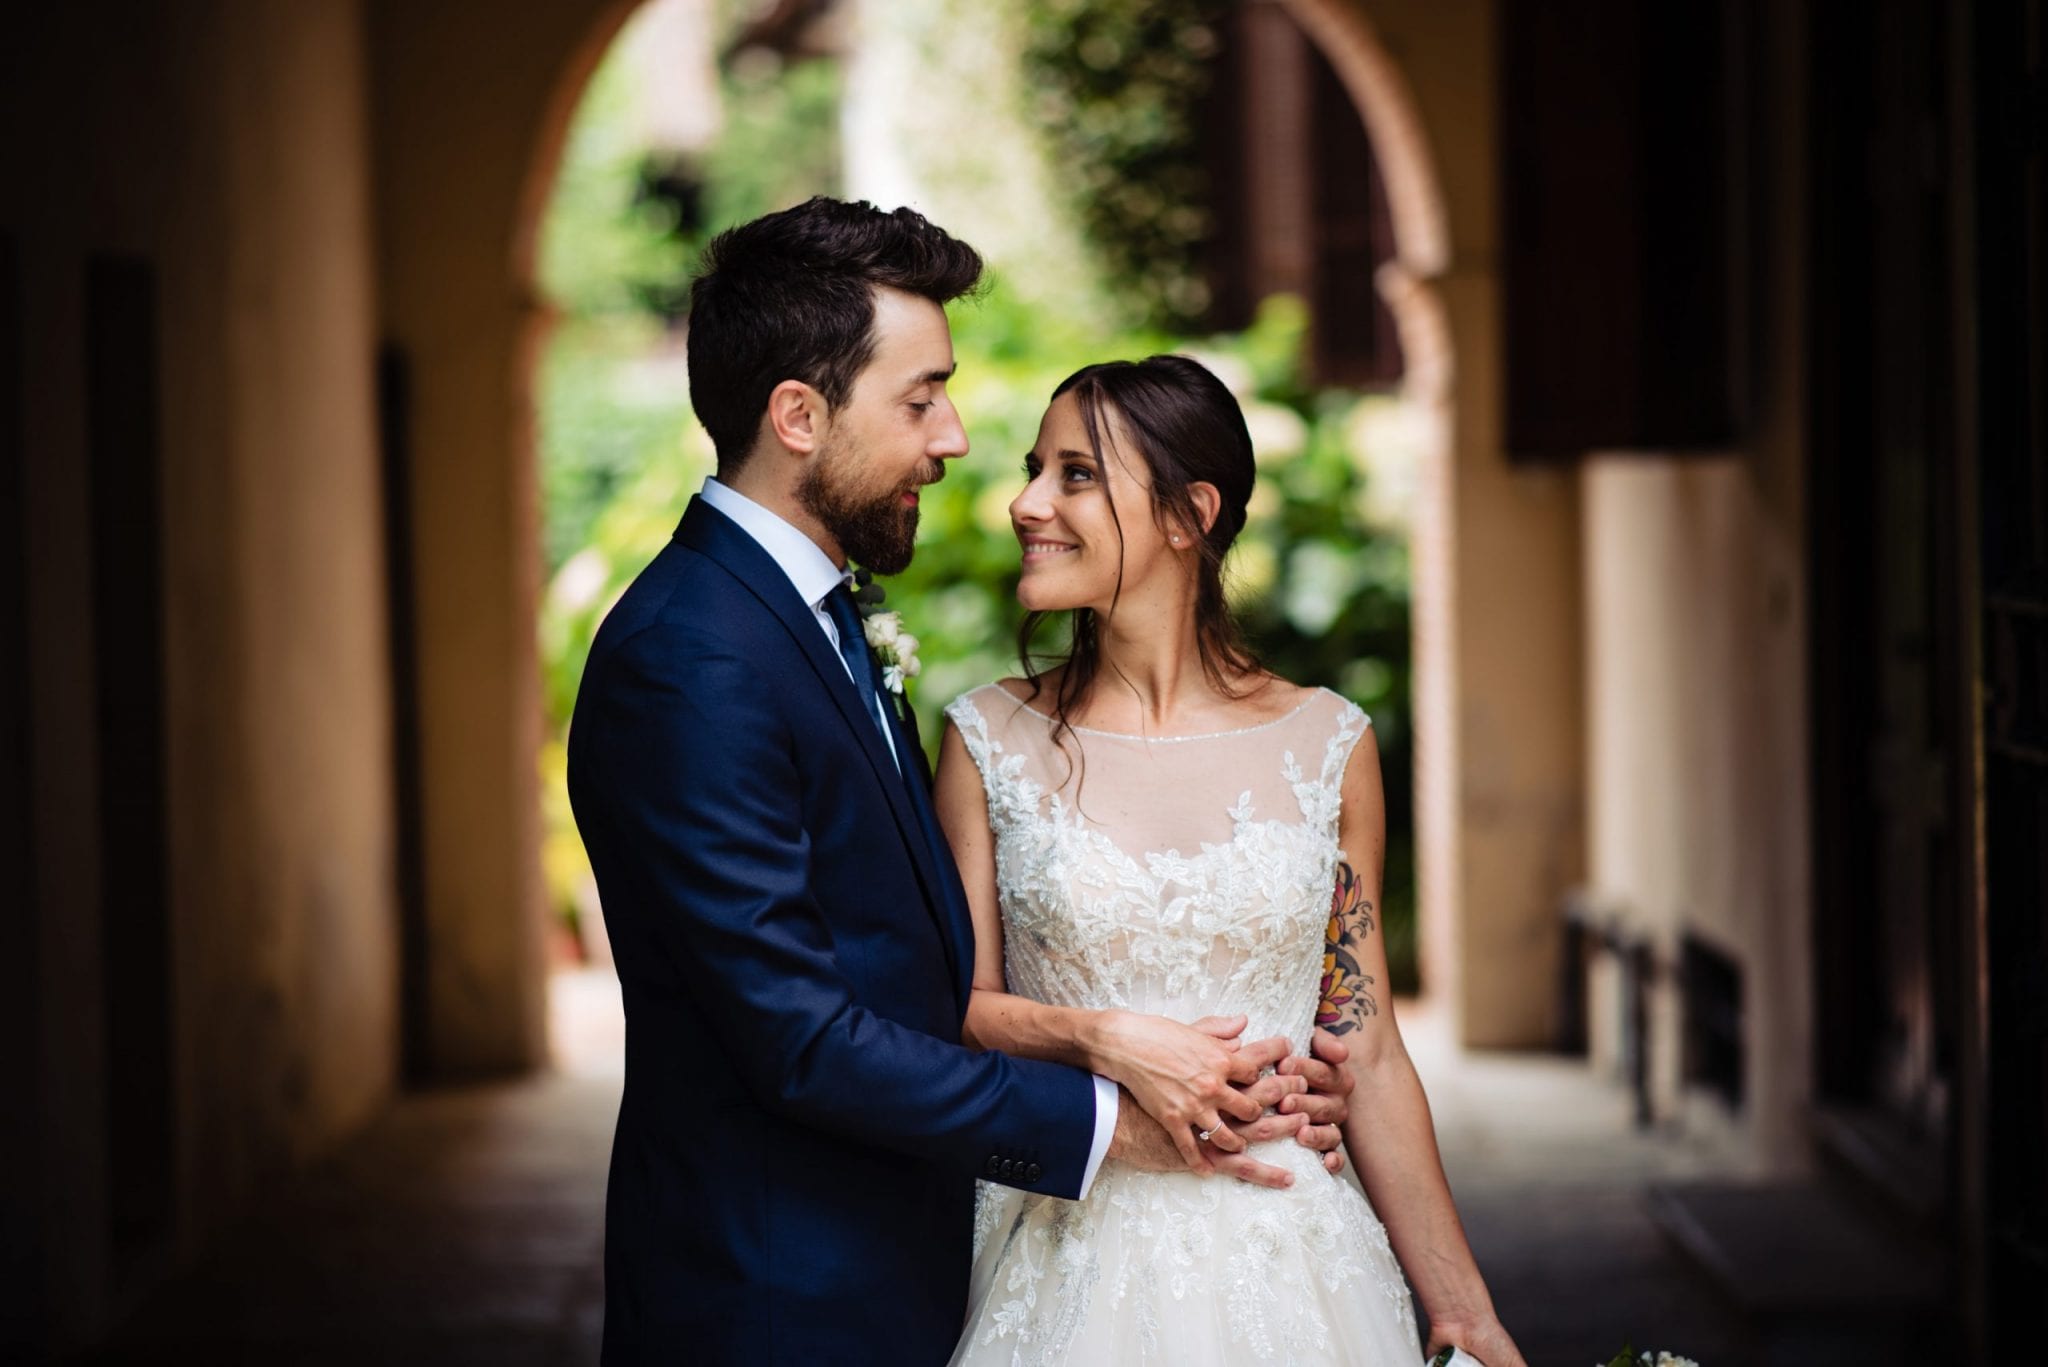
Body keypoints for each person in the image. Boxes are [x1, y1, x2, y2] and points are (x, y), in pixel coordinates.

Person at [565, 198, 1355, 1365]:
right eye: (919, 398)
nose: (953, 438)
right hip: (777, 1307)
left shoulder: (810, 619)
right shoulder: (689, 657)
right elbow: (798, 1036)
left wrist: (1258, 1056)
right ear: (798, 415)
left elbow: (913, 963)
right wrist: (1109, 1117)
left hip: (897, 1276)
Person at [934, 355, 1527, 1366]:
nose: (1027, 503)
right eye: (1036, 470)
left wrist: (1465, 1309)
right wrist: (1107, 1038)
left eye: (1076, 474)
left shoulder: (1328, 743)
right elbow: (958, 1010)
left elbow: (1367, 1049)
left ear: (1188, 514)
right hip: (1069, 1255)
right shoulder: (985, 738)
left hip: (1293, 1257)